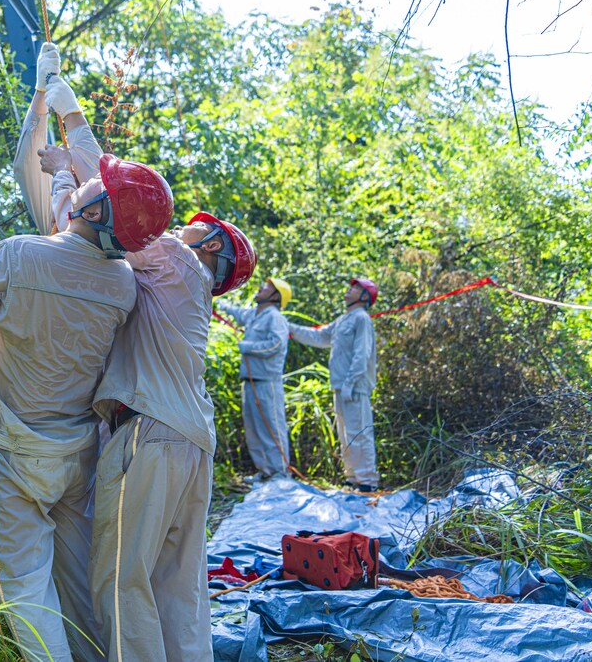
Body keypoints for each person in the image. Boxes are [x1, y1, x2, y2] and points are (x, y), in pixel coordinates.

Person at [0, 43, 173, 662]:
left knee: (26, 592)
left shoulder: (19, 254)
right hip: (78, 452)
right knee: (76, 584)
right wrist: (56, 105)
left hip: (15, 450)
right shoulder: (124, 283)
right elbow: (91, 208)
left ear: (90, 205)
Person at [33, 72, 258, 660]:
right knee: (177, 587)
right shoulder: (183, 285)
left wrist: (70, 124)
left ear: (212, 247)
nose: (184, 225)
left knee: (119, 580)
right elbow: (100, 220)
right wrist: (67, 166)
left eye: (198, 226)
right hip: (190, 442)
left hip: (150, 436)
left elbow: (117, 206)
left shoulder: (176, 261)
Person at [289, 278, 379, 492]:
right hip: (340, 386)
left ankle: (367, 481)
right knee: (346, 434)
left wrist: (351, 382)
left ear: (365, 296)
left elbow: (362, 353)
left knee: (359, 433)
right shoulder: (343, 320)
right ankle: (353, 478)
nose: (349, 290)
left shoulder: (361, 319)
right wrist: (289, 327)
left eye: (355, 288)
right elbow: (319, 337)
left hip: (355, 386)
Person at [216, 277, 293, 480]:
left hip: (267, 383)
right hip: (249, 382)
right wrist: (219, 302)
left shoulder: (275, 317)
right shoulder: (255, 314)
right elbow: (238, 313)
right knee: (253, 429)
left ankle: (280, 473)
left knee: (272, 428)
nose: (261, 288)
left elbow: (276, 345)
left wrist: (247, 347)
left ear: (276, 296)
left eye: (267, 287)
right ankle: (265, 471)